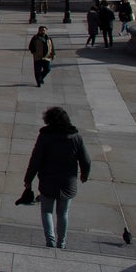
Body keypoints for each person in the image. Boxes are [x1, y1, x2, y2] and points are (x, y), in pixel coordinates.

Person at [23, 106, 91, 249]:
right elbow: (86, 160)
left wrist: (28, 180)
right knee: (63, 213)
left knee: (46, 211)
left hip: (48, 180)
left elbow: (35, 160)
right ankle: (62, 242)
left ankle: (50, 240)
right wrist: (84, 174)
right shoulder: (76, 137)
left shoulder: (45, 136)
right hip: (68, 182)